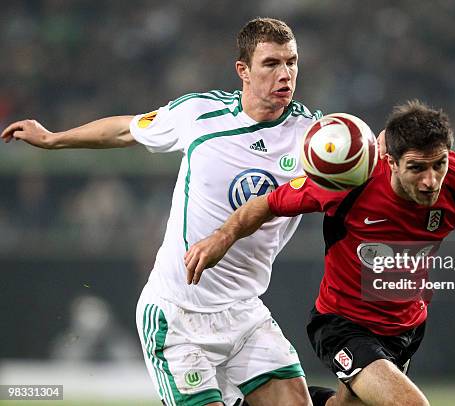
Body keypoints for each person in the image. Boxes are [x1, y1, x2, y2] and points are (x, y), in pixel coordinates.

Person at [183, 100, 455, 406]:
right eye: (417, 168)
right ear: (389, 160)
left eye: (438, 164)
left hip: (406, 329)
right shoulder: (351, 180)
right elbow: (267, 203)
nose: (430, 180)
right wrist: (221, 238)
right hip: (342, 324)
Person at [2, 17, 323, 406]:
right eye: (271, 64)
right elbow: (125, 130)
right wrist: (54, 139)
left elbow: (363, 169)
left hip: (245, 314)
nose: (285, 74)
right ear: (243, 70)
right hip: (177, 315)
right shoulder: (199, 115)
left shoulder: (314, 136)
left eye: (291, 62)